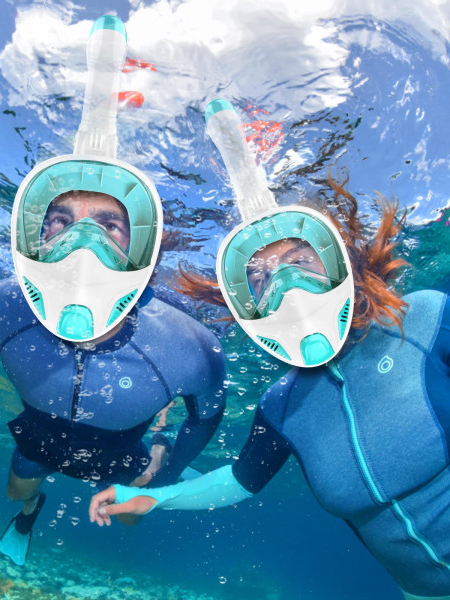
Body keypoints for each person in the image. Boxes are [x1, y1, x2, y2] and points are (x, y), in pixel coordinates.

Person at [89, 174, 450, 600]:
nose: (288, 289)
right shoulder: (280, 406)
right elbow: (240, 481)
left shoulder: (426, 319)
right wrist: (150, 500)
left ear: (341, 262)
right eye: (262, 281)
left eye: (301, 262)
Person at [0, 188, 227, 566]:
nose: (80, 245)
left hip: (120, 451)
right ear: (40, 238)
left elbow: (206, 417)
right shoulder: (3, 306)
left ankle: (158, 443)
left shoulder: (189, 345)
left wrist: (165, 480)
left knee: (131, 517)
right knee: (16, 496)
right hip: (39, 441)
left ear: (144, 252)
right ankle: (28, 516)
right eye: (61, 222)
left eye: (109, 227)